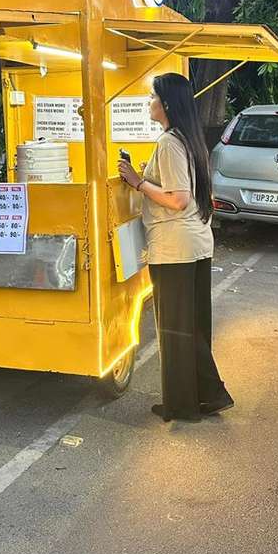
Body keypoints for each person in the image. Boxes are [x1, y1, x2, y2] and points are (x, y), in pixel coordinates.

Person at [118, 73, 233, 422]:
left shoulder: (169, 142)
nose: (149, 103)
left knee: (175, 327)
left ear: (166, 104)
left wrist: (138, 183)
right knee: (193, 326)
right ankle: (206, 396)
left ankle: (184, 404)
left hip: (175, 247)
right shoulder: (189, 138)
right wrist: (146, 178)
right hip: (195, 243)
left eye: (153, 97)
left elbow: (178, 199)